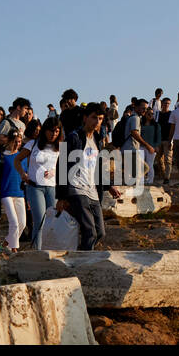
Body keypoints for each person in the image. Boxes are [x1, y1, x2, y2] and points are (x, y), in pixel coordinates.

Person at [56, 102, 119, 250]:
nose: (97, 122)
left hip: (93, 192)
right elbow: (61, 165)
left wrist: (109, 186)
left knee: (100, 233)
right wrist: (61, 197)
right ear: (85, 118)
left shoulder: (97, 139)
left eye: (101, 118)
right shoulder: (73, 137)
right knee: (89, 231)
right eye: (94, 117)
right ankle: (83, 264)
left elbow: (97, 168)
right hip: (77, 189)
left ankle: (80, 255)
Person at [17, 116, 61, 249]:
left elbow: (62, 167)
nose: (54, 134)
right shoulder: (33, 144)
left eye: (57, 131)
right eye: (51, 130)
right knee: (39, 221)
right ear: (45, 130)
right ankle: (38, 251)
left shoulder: (60, 146)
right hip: (35, 187)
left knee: (52, 221)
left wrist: (54, 171)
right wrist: (23, 174)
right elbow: (17, 160)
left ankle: (50, 249)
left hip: (52, 187)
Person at [0, 122, 27, 253]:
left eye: (20, 141)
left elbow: (26, 176)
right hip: (6, 193)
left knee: (22, 223)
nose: (18, 144)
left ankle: (5, 243)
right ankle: (14, 250)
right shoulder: (1, 157)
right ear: (10, 141)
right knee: (14, 223)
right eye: (16, 141)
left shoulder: (23, 157)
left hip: (20, 193)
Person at [156, 97, 174, 185]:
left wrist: (172, 139)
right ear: (161, 104)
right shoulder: (157, 114)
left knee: (168, 159)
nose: (166, 105)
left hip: (168, 139)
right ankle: (164, 176)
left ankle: (167, 177)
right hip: (159, 139)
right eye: (165, 103)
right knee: (158, 159)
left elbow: (173, 127)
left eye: (168, 103)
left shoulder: (171, 114)